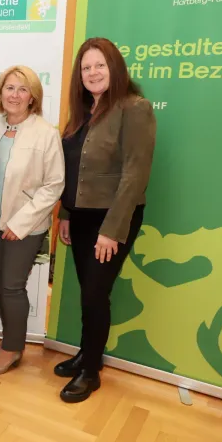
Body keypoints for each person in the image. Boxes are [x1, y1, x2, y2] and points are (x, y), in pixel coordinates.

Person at [56, 37, 156, 403]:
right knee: (88, 292)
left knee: (95, 293)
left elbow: (135, 174)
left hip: (113, 218)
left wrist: (112, 231)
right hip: (80, 217)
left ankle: (90, 371)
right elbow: (70, 170)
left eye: (100, 65)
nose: (93, 72)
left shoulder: (134, 108)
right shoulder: (82, 113)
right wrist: (65, 213)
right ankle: (87, 353)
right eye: (86, 67)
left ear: (115, 67)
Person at [0, 65, 65, 376]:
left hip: (24, 228)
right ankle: (9, 340)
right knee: (3, 285)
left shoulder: (46, 133)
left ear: (33, 97)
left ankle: (13, 348)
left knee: (12, 287)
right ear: (0, 93)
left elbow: (54, 185)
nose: (15, 95)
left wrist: (20, 224)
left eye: (22, 89)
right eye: (9, 88)